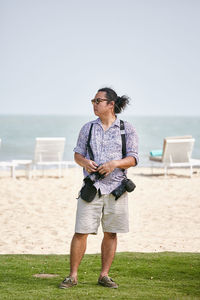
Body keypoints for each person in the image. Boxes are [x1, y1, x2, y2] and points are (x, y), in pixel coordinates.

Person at [59, 87, 139, 289]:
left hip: (117, 189)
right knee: (81, 231)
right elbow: (77, 155)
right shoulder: (87, 128)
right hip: (92, 188)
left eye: (98, 100)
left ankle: (104, 275)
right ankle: (72, 276)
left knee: (111, 233)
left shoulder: (126, 128)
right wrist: (84, 162)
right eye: (93, 101)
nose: (94, 104)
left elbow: (133, 158)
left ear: (111, 104)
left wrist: (114, 164)